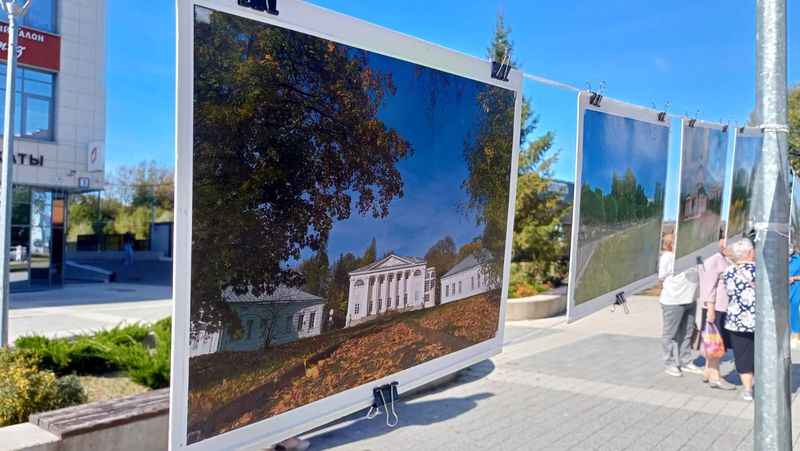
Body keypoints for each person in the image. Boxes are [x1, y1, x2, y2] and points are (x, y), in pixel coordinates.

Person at [658, 232, 703, 377]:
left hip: (690, 300)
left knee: (687, 333)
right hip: (673, 301)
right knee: (670, 334)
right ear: (672, 242)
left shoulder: (691, 257)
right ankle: (670, 363)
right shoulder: (668, 258)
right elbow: (661, 277)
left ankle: (685, 361)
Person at [698, 230, 735, 390]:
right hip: (715, 307)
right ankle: (716, 376)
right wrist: (711, 309)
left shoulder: (721, 258)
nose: (729, 245)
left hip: (720, 306)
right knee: (716, 342)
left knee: (713, 340)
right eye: (724, 240)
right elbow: (708, 287)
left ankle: (708, 370)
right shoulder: (712, 259)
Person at [723, 238, 756, 401]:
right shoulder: (760, 270)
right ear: (750, 252)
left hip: (736, 320)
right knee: (760, 352)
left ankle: (748, 389)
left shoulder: (729, 271)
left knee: (742, 354)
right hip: (759, 321)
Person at [790, 244, 800, 349]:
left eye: (791, 247)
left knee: (794, 311)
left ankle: (797, 336)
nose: (790, 250)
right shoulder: (779, 259)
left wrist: (795, 278)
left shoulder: (798, 259)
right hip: (782, 288)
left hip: (796, 288)